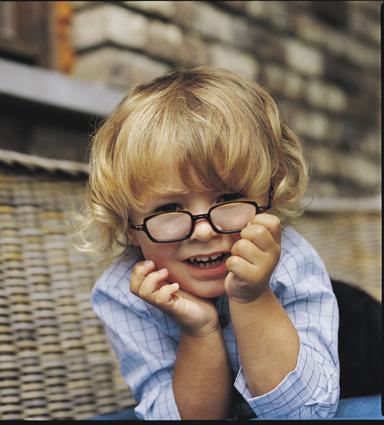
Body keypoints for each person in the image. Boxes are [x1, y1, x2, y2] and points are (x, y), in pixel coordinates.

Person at [77, 66, 340, 419]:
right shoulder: (122, 294)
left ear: (271, 195)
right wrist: (199, 330)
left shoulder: (290, 260)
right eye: (169, 208)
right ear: (129, 227)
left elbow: (306, 413)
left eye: (228, 197)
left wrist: (252, 296)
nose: (203, 232)